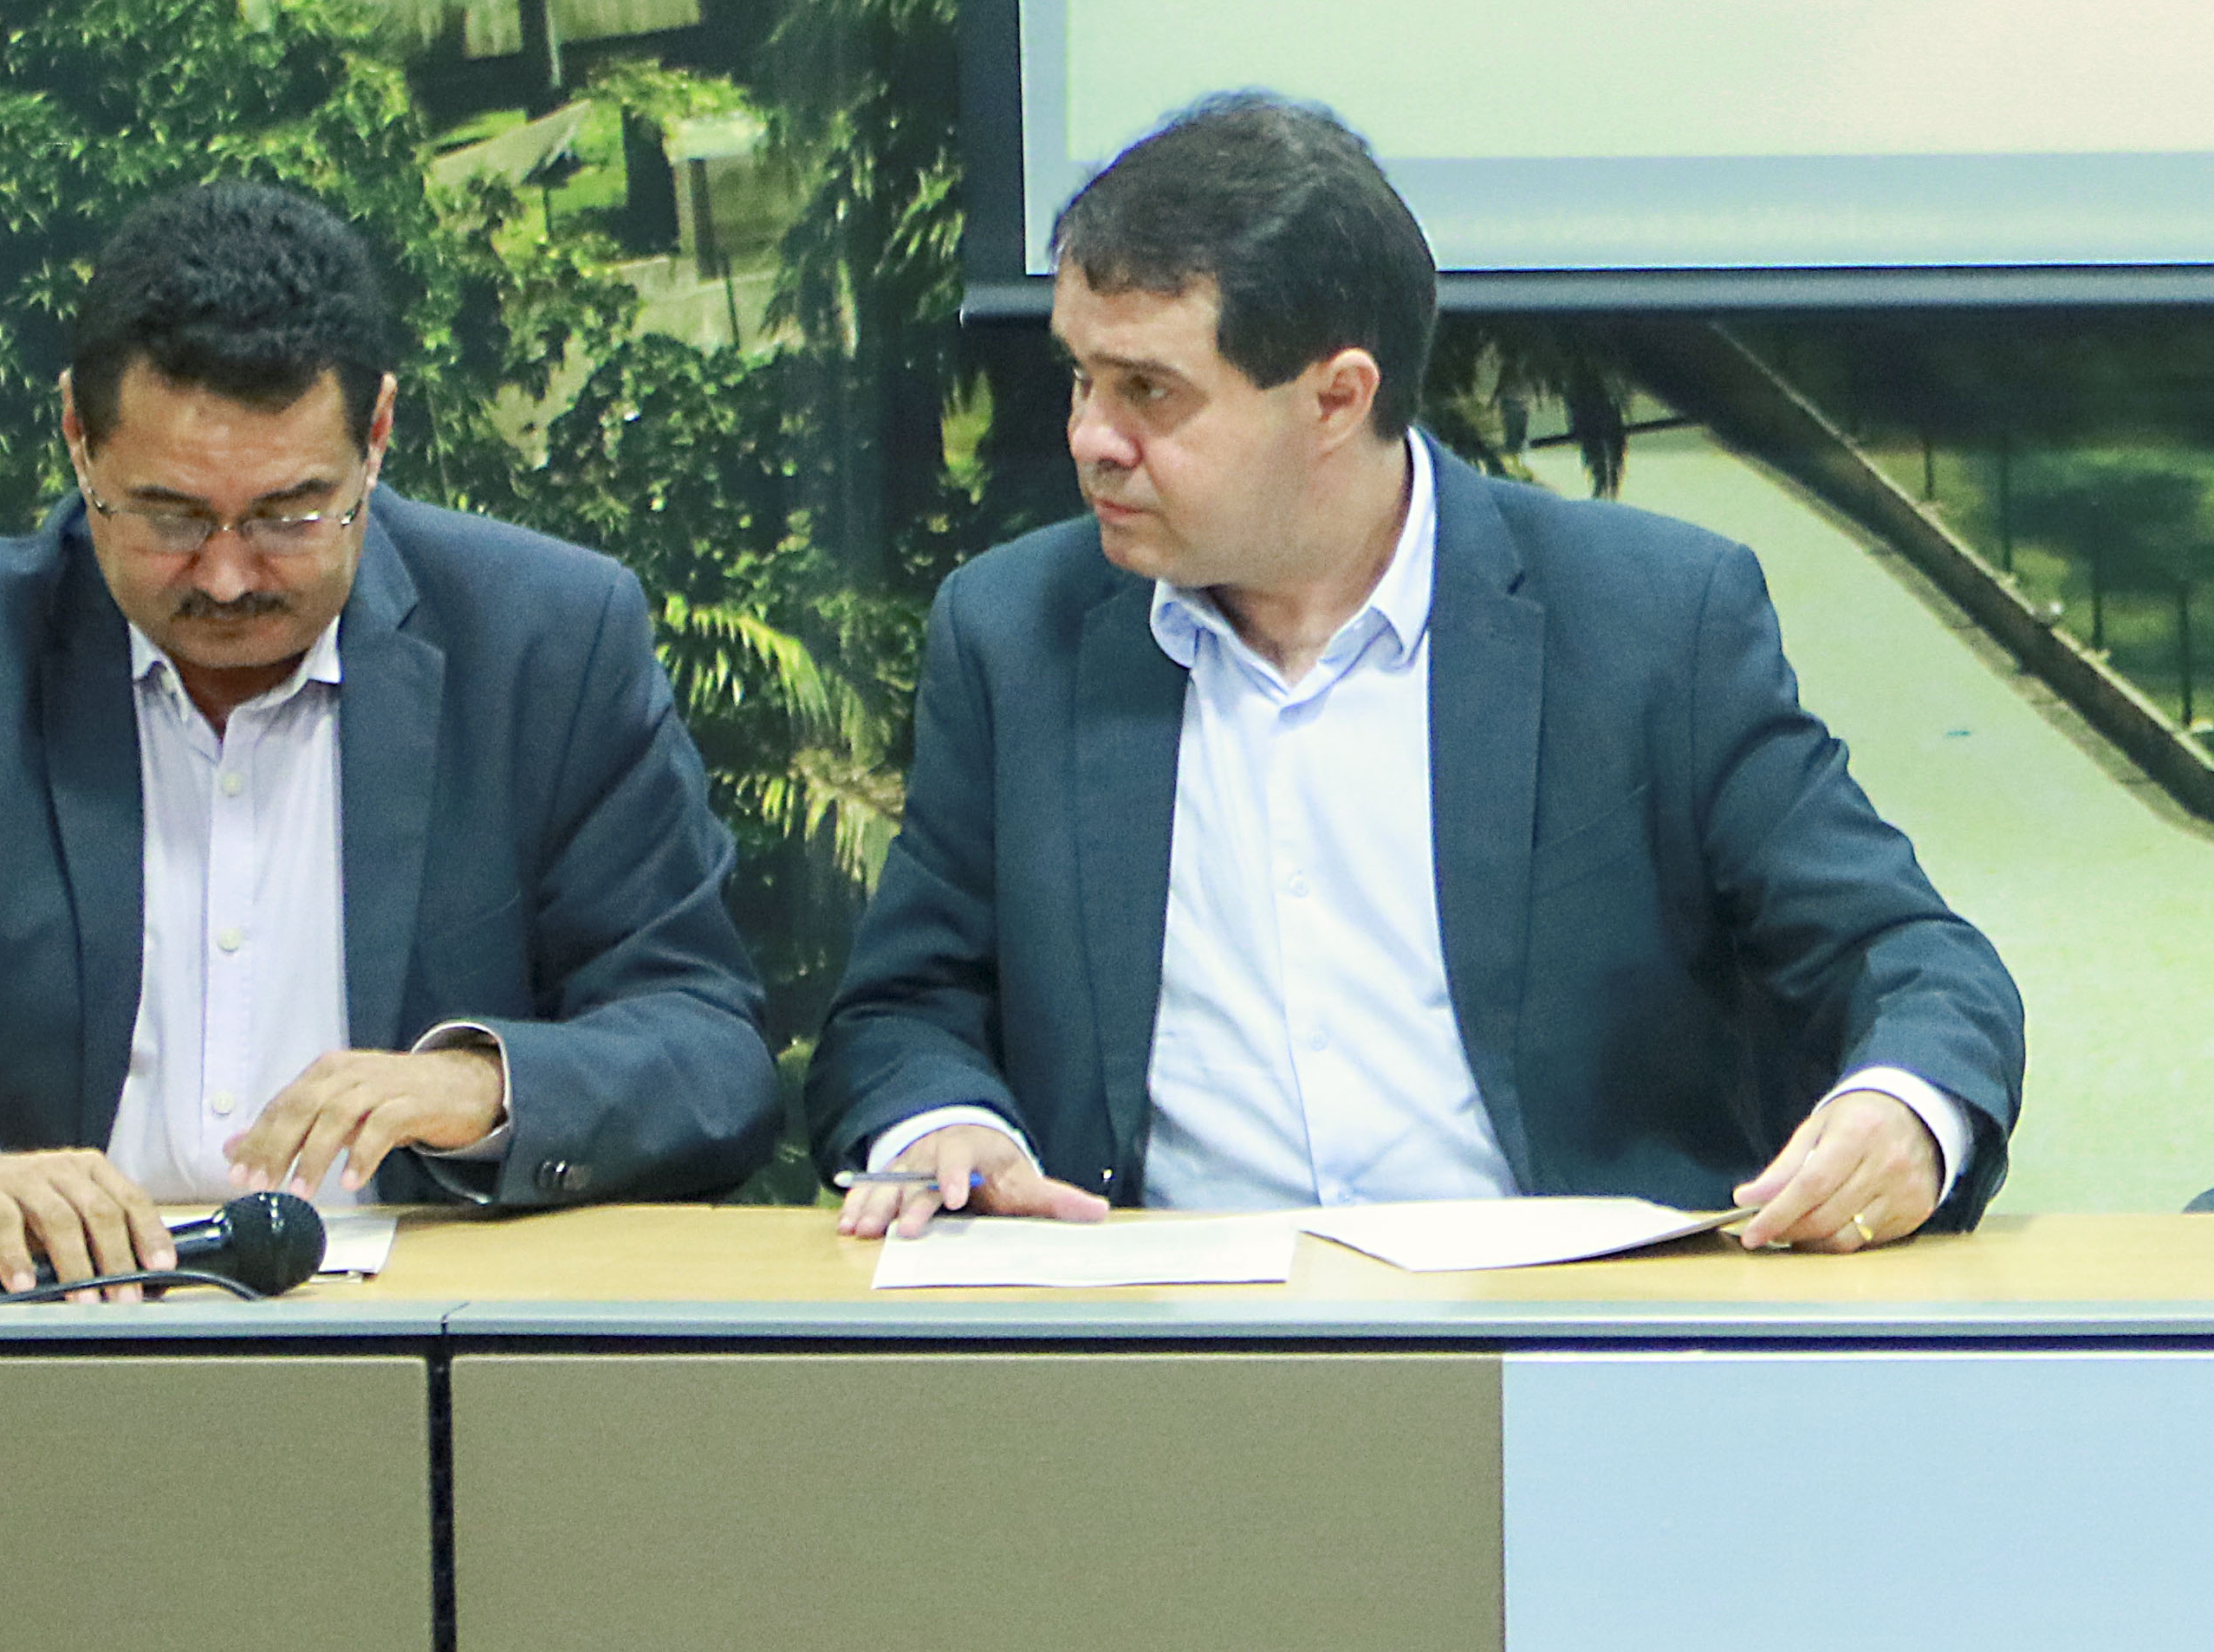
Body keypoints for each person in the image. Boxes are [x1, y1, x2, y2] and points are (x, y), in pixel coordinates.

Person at [806, 93, 2021, 1248]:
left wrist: (1903, 1111)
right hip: (1168, 1330)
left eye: (1148, 393)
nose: (1090, 438)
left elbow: (1914, 962)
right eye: (1081, 376)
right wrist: (944, 1122)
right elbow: (904, 1010)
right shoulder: (1017, 633)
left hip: (1561, 1329)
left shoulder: (1650, 621)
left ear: (1337, 398)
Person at [0, 178, 780, 1286]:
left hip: (427, 1325)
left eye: (291, 515)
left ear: (376, 436)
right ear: (78, 440)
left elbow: (708, 1046)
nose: (229, 576)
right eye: (170, 516)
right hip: (51, 1318)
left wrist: (485, 1086)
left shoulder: (547, 641)